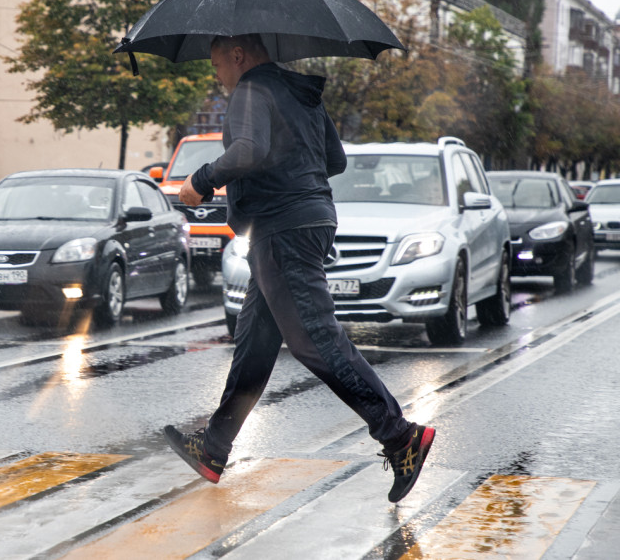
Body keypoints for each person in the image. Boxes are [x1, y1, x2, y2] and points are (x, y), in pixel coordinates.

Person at [164, 33, 435, 503]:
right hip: (304, 222)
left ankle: (399, 435)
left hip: (282, 230)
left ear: (238, 55)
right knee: (255, 345)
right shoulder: (301, 93)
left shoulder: (252, 88)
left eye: (217, 67)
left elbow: (247, 150)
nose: (219, 78)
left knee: (315, 340)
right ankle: (213, 448)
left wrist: (202, 182)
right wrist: (289, 170)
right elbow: (335, 159)